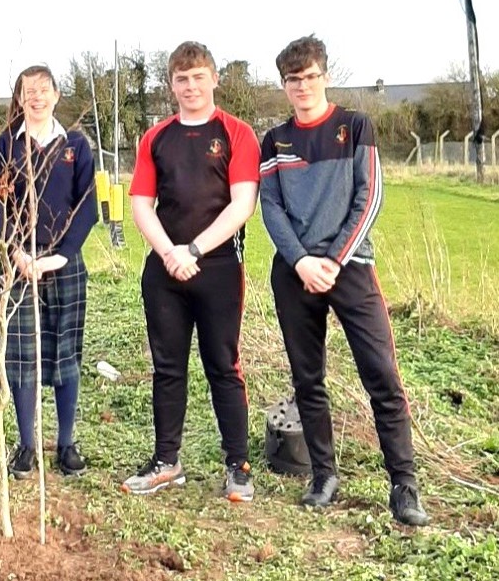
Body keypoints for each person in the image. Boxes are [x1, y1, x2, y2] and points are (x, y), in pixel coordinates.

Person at [259, 35, 429, 526]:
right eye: (294, 80)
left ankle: (404, 485)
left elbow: (369, 196)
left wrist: (332, 259)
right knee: (308, 379)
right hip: (295, 274)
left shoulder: (356, 126)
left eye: (311, 77)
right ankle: (324, 475)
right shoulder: (275, 141)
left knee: (382, 377)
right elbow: (270, 208)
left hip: (350, 268)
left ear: (325, 76)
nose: (303, 87)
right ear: (285, 85)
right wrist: (300, 263)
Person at [122, 41, 260, 502]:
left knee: (223, 366)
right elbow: (141, 203)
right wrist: (169, 252)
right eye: (182, 79)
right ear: (172, 85)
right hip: (165, 269)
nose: (191, 86)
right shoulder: (156, 136)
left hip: (218, 266)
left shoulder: (237, 133)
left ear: (214, 79)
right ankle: (167, 461)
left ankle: (237, 466)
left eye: (199, 76)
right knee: (167, 367)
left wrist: (195, 249)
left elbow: (243, 204)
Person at [0, 65, 97, 479]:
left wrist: (63, 254)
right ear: (19, 98)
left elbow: (87, 205)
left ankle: (66, 444)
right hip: (18, 264)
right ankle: (27, 445)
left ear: (56, 95)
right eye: (27, 90)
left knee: (65, 353)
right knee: (21, 358)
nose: (35, 97)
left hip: (63, 263)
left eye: (43, 90)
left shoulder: (75, 145)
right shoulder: (5, 147)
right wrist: (15, 251)